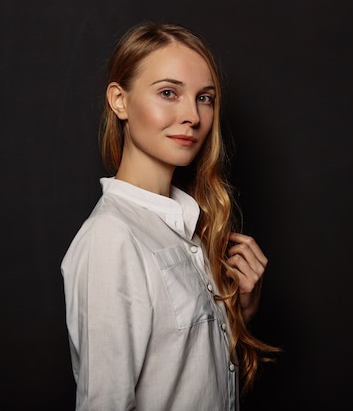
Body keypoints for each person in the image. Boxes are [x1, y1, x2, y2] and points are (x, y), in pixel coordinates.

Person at [61, 21, 280, 410]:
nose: (192, 116)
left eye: (205, 98)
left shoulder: (189, 230)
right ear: (119, 100)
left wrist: (241, 314)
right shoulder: (112, 239)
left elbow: (188, 381)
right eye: (168, 93)